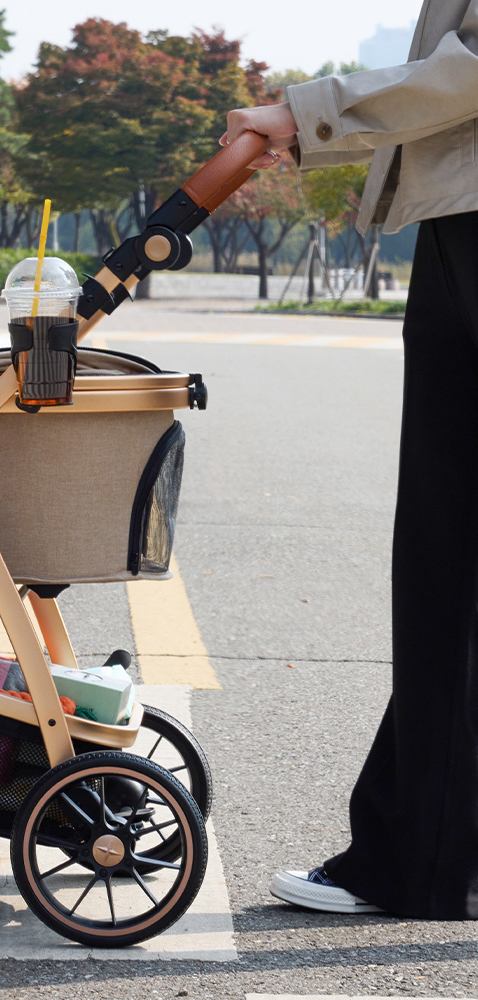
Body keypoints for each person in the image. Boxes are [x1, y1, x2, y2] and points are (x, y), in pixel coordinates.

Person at [222, 0, 478, 920]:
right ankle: (428, 849)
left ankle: (425, 856)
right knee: (453, 562)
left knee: (452, 558)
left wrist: (305, 113)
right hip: (461, 222)